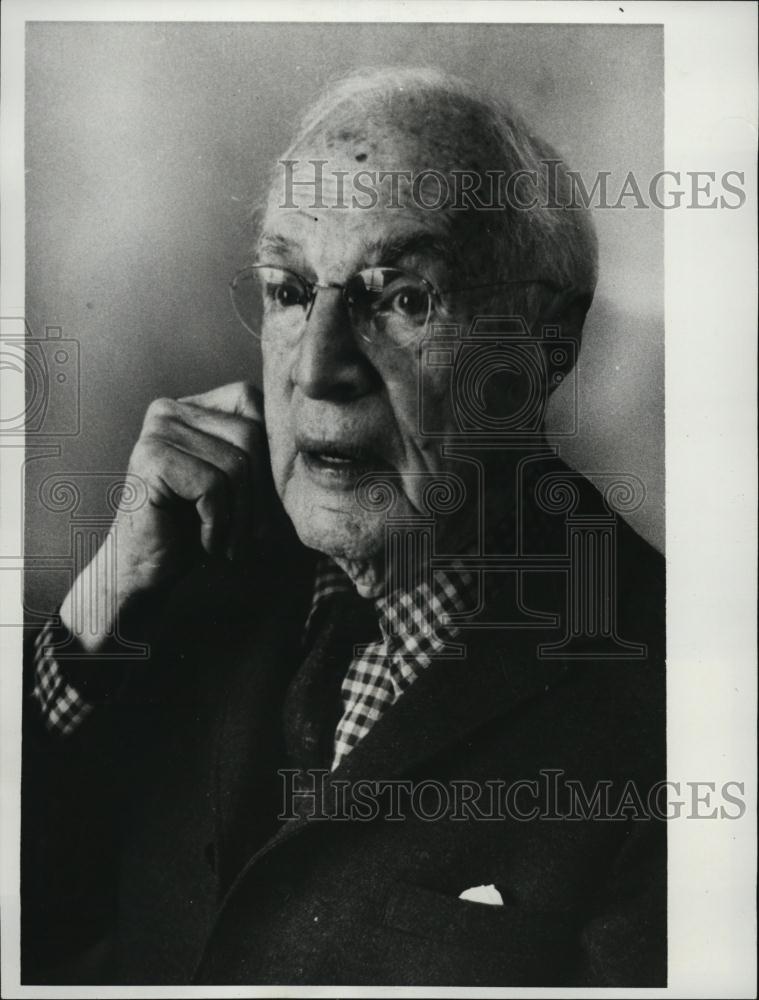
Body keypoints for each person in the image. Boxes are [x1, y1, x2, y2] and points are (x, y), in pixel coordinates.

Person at [22, 67, 665, 987]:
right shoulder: (187, 582)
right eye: (288, 291)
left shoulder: (673, 698)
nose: (320, 370)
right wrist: (95, 615)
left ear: (542, 347)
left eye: (403, 298)